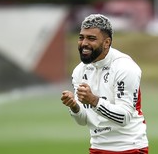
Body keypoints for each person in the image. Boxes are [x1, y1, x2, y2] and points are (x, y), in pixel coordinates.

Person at [61, 14, 148, 153]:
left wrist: (94, 100)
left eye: (91, 38)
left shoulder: (125, 67)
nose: (84, 43)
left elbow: (124, 117)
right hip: (97, 147)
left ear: (107, 42)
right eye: (81, 37)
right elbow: (83, 120)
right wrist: (74, 107)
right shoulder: (79, 71)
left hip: (129, 147)